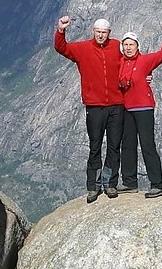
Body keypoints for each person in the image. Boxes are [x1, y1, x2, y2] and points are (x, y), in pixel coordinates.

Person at [54, 15, 125, 203]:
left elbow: (133, 59)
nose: (101, 35)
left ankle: (109, 183)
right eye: (98, 32)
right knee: (95, 146)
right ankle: (93, 187)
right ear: (93, 31)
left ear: (109, 33)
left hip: (116, 105)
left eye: (104, 32)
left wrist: (145, 76)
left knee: (113, 146)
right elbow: (61, 48)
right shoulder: (83, 48)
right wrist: (61, 30)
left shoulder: (117, 46)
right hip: (94, 106)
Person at [117, 22, 162, 198]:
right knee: (128, 145)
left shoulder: (145, 60)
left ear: (137, 46)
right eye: (125, 45)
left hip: (144, 108)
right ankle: (129, 182)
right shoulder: (120, 63)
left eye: (131, 45)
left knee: (147, 145)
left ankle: (158, 185)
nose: (128, 48)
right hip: (127, 108)